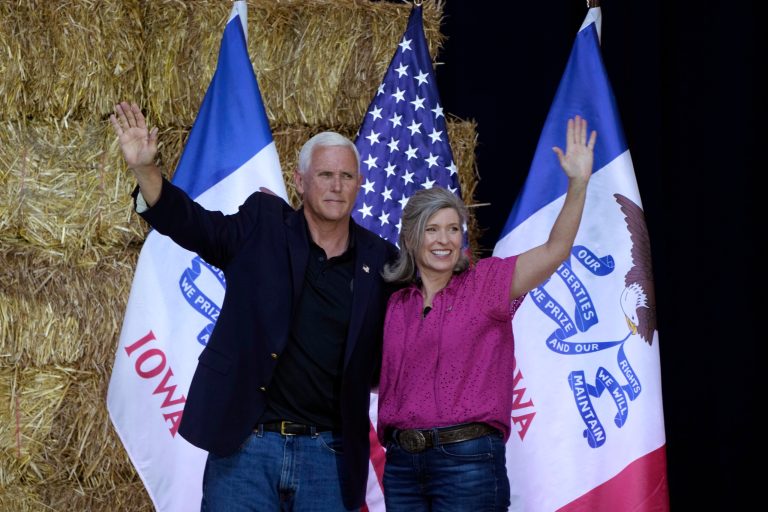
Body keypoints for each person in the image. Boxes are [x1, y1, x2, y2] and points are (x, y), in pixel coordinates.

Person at [109, 101, 398, 511]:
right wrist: (146, 170)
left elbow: (402, 345)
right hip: (247, 449)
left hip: (329, 456)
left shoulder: (381, 259)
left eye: (346, 176)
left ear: (359, 183)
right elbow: (194, 224)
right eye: (325, 174)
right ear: (299, 181)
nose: (336, 185)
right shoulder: (263, 225)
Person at [376, 115, 597, 511]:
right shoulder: (396, 303)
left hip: (468, 463)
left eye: (453, 229)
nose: (445, 240)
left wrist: (578, 185)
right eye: (432, 229)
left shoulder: (486, 283)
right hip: (402, 467)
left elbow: (554, 251)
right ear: (410, 238)